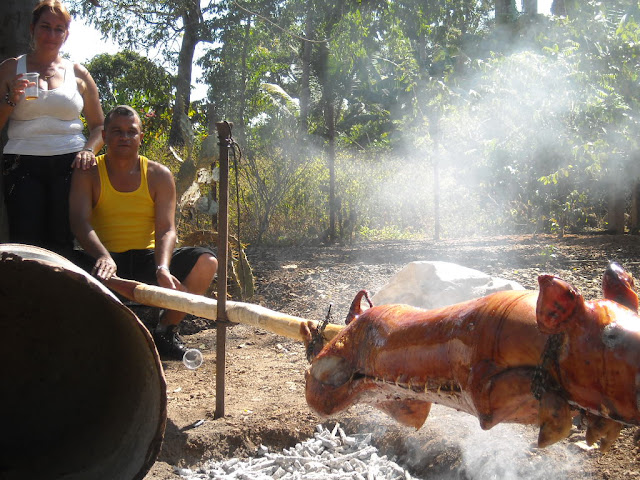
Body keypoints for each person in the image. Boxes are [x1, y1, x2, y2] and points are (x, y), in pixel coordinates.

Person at [69, 105, 217, 359]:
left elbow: (166, 229)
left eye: (131, 132)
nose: (124, 137)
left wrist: (162, 268)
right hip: (104, 260)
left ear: (141, 137)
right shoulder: (89, 173)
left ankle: (165, 331)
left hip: (147, 259)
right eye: (117, 131)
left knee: (207, 261)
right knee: (57, 260)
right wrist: (103, 258)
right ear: (104, 137)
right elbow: (80, 222)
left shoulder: (158, 174)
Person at [0, 0, 104, 256]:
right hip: (22, 163)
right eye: (45, 27)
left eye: (59, 29)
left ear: (66, 35)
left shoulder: (78, 72)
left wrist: (89, 151)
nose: (52, 34)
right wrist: (10, 99)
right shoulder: (11, 68)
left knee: (64, 239)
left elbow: (100, 126)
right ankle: (26, 295)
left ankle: (64, 294)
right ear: (32, 29)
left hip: (71, 164)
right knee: (25, 242)